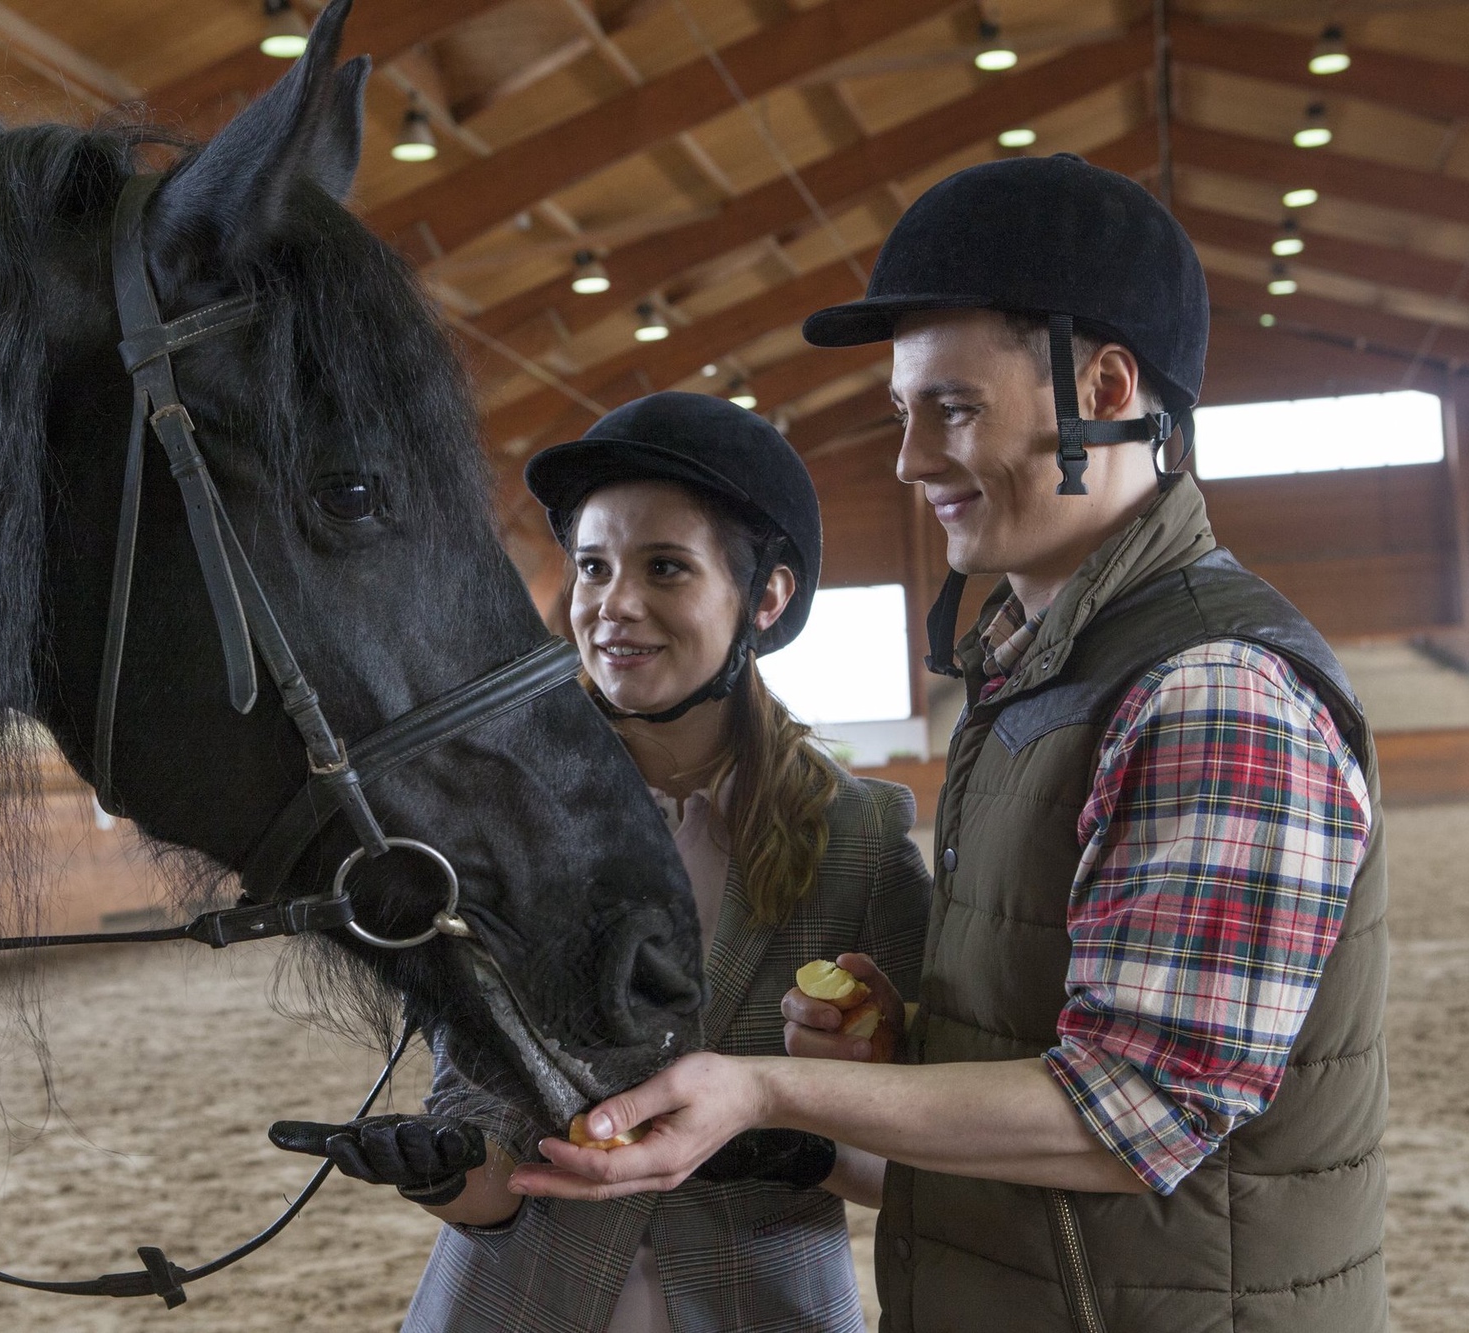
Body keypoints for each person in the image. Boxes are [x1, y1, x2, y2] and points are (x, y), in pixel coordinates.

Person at [509, 155, 1387, 1333]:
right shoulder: (1045, 667)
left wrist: (768, 1085)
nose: (910, 460)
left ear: (1107, 386)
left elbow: (1139, 1104)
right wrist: (906, 1043)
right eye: (901, 414)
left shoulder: (1210, 691)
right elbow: (1051, 1031)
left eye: (952, 409)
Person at [273, 391, 932, 1331]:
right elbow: (493, 1150)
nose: (615, 606)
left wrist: (803, 1139)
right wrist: (447, 1170)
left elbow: (919, 1159)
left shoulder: (861, 840)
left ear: (768, 596)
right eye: (592, 567)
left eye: (666, 567)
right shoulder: (495, 824)